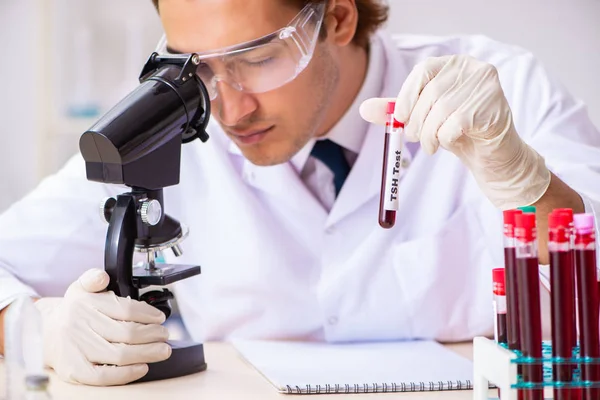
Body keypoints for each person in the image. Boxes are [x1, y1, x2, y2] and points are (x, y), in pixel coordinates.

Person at [0, 0, 599, 387]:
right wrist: (37, 329)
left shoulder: (503, 90)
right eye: (196, 66)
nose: (228, 109)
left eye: (257, 58)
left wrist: (524, 178)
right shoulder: (178, 124)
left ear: (337, 18)